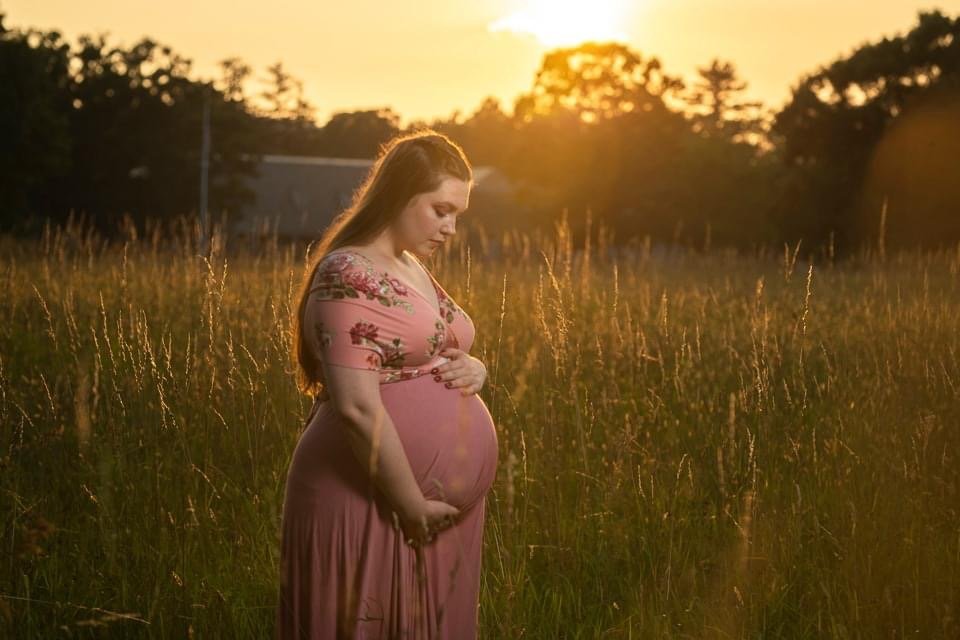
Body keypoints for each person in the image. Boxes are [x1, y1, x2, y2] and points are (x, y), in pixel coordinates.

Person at [277, 130, 499, 639]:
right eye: (440, 210)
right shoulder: (347, 272)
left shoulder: (408, 265)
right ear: (399, 194)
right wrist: (411, 505)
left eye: (457, 216)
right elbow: (357, 408)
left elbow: (435, 347)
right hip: (371, 499)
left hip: (423, 511)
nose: (450, 228)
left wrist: (476, 369)